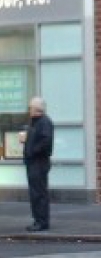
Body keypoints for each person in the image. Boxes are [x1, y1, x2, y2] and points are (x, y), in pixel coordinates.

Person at [20, 97, 54, 232]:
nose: (29, 110)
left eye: (30, 107)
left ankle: (41, 221)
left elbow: (45, 142)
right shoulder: (35, 122)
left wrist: (32, 150)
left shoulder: (44, 122)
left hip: (39, 161)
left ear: (36, 109)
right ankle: (38, 219)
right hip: (33, 161)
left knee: (38, 192)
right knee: (35, 192)